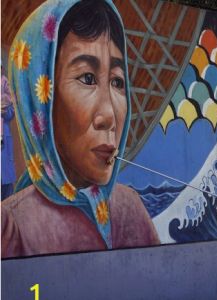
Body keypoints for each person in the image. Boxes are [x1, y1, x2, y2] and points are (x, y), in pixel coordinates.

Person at [1, 0, 159, 258]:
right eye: (87, 78)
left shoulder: (130, 210)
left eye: (118, 81)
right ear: (39, 98)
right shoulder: (11, 227)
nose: (109, 115)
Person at [1, 66, 16, 200]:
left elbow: (11, 112)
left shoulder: (5, 83)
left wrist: (5, 111)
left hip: (3, 140)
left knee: (6, 187)